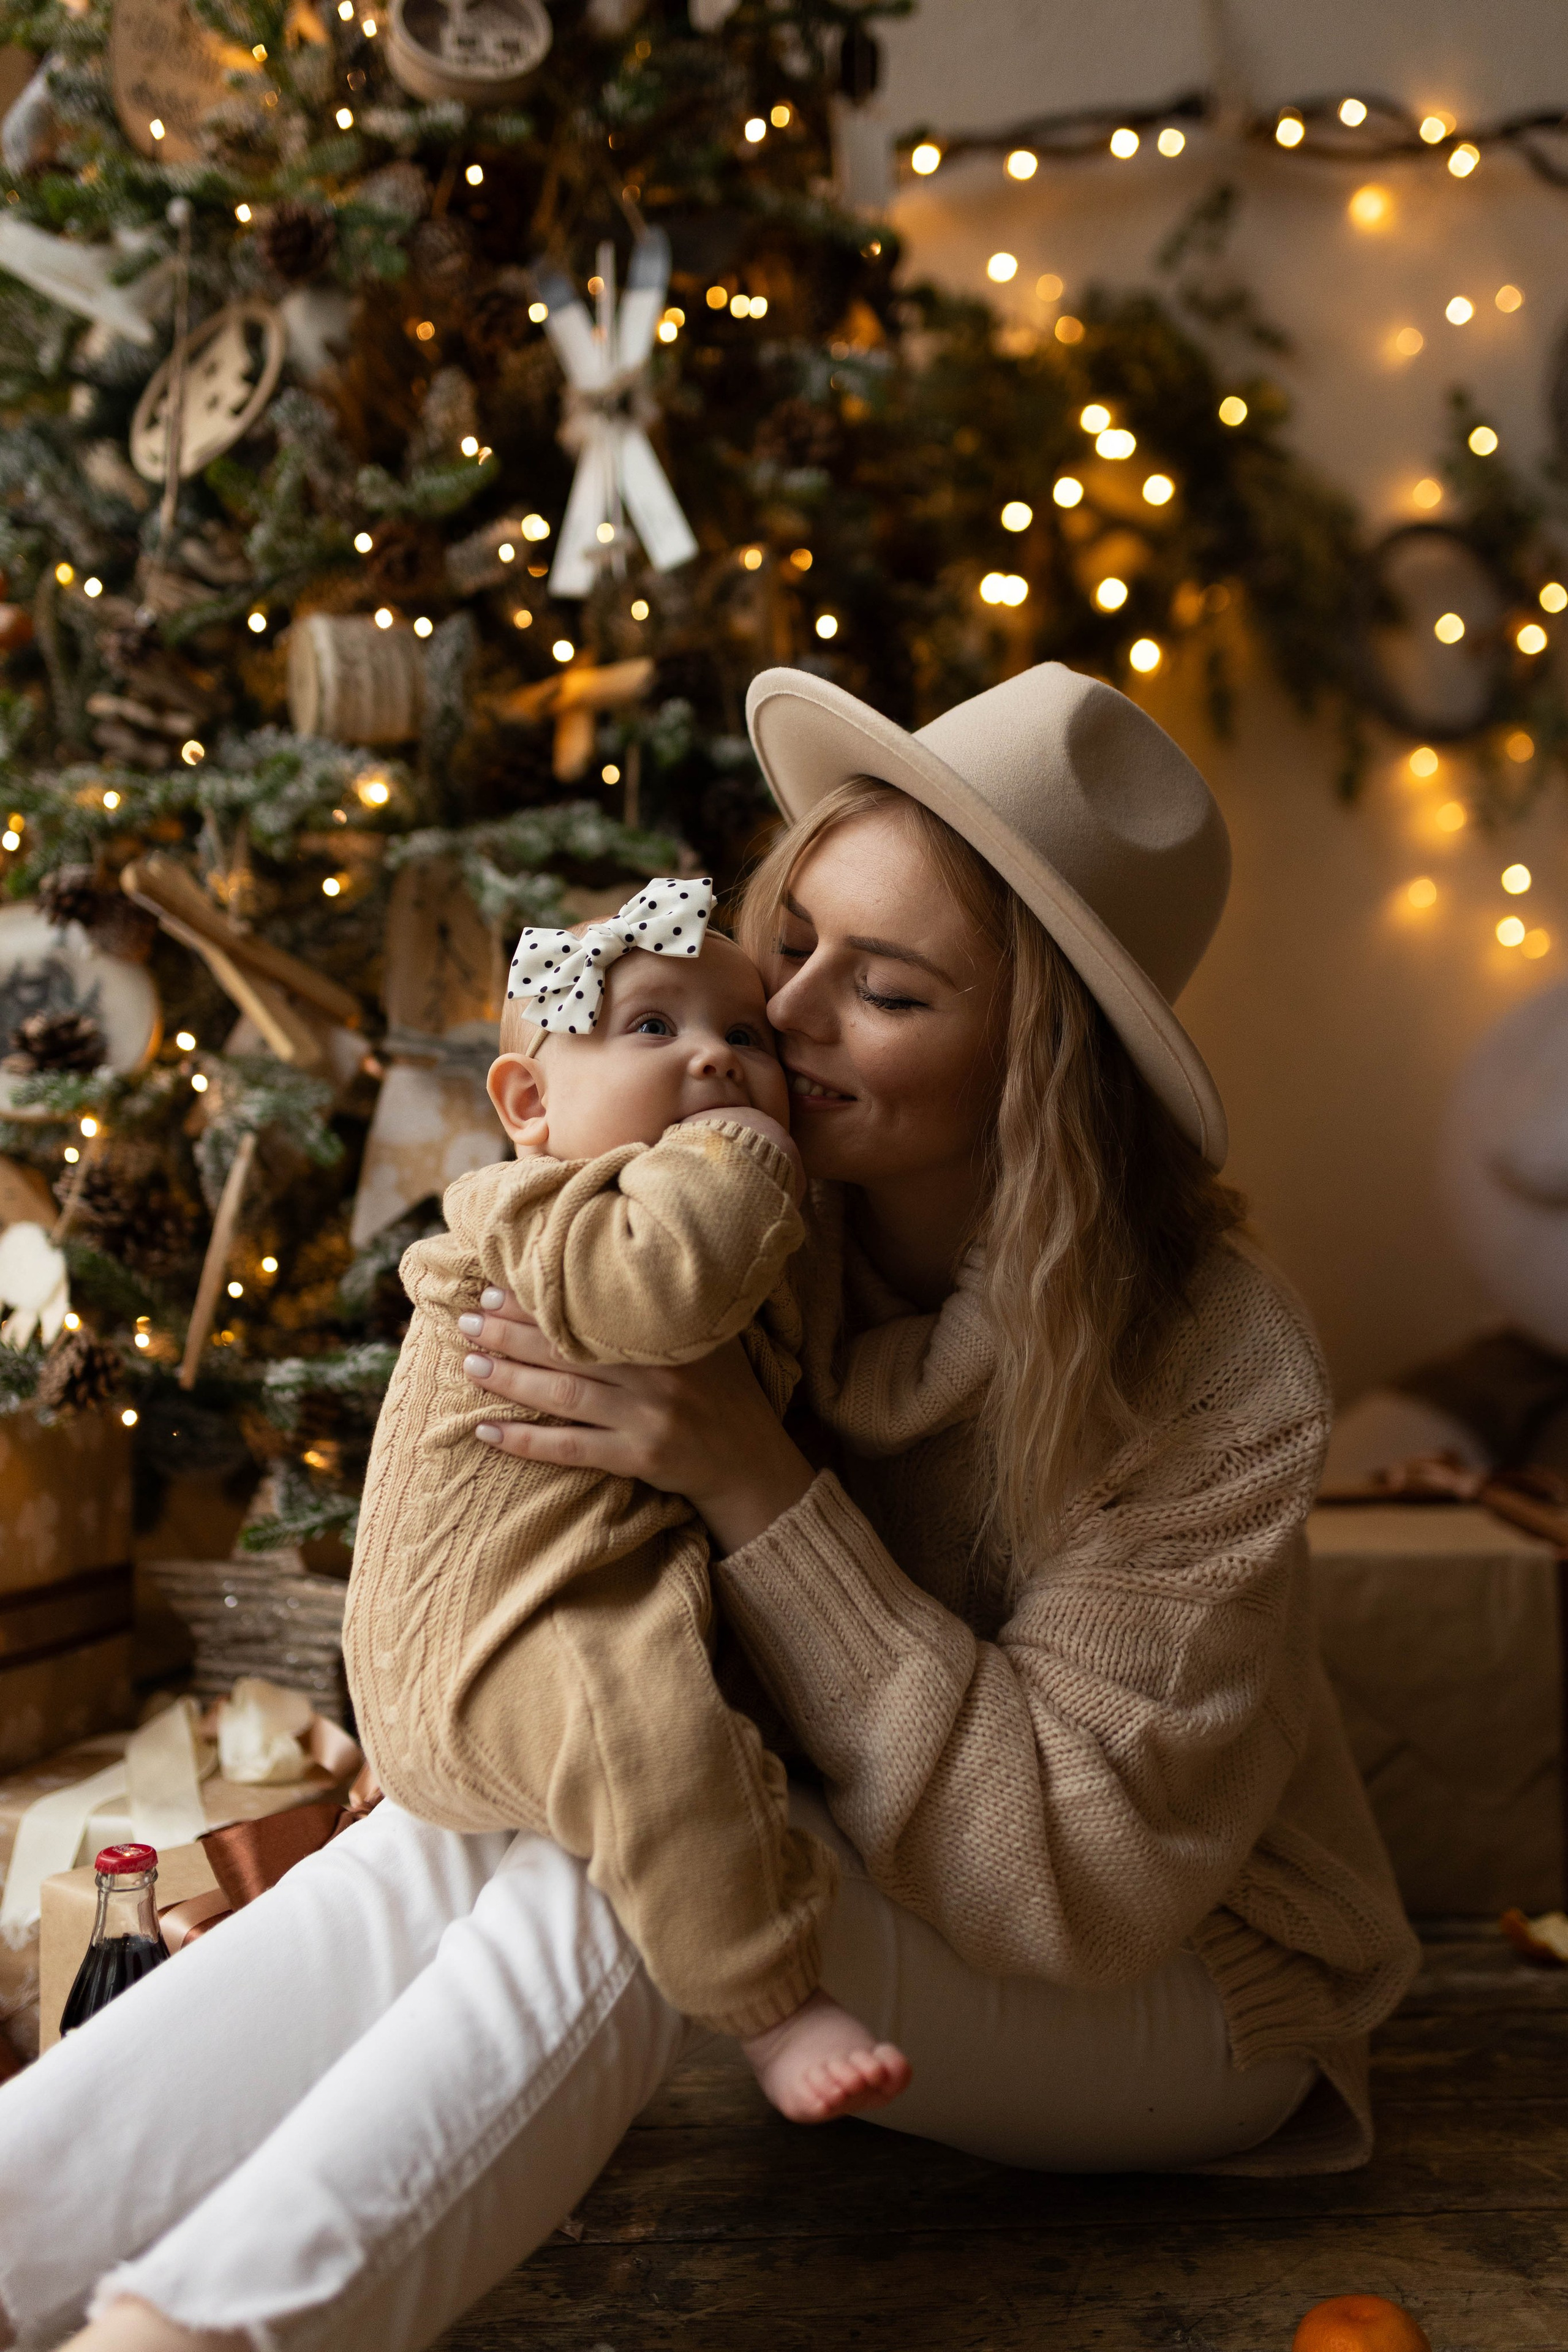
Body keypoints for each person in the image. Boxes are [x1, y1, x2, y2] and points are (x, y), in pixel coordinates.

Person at [0, 663, 1419, 2352]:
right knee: (523, 1810)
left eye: (881, 992)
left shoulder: (1215, 1359)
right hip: (867, 1917)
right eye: (797, 938)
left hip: (1188, 1997)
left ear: (1041, 1061)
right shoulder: (740, 1220)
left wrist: (757, 1481)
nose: (784, 1020)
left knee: (636, 1833)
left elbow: (1077, 1886)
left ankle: (192, 2342)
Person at [344, 889, 911, 2122]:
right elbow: (659, 1298)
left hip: (523, 1632)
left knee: (680, 1736)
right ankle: (768, 2002)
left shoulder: (661, 1214)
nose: (713, 1055)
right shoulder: (540, 1212)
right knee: (651, 1746)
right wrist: (750, 1148)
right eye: (650, 1028)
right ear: (529, 1108)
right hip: (507, 1640)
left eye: (744, 1036)